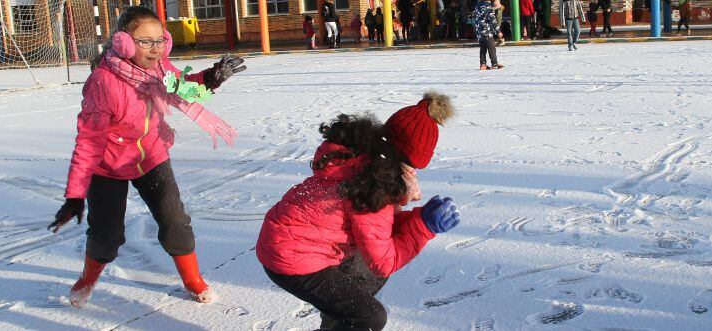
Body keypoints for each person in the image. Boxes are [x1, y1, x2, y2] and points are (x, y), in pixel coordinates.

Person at [48, 6, 246, 308]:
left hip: (150, 155)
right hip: (107, 166)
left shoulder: (160, 70)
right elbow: (88, 141)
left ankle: (192, 279)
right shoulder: (104, 82)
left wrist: (213, 77)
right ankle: (88, 278)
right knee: (107, 235)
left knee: (175, 222)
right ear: (123, 43)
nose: (155, 49)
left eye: (159, 41)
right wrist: (75, 195)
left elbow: (186, 85)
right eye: (145, 41)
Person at [256, 92, 461, 330]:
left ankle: (336, 322)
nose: (412, 176)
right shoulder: (372, 186)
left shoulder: (358, 159)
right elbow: (384, 261)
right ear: (401, 161)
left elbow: (375, 229)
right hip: (292, 259)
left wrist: (418, 218)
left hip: (287, 241)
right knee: (369, 317)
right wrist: (424, 228)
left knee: (363, 279)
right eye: (411, 168)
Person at [475, 0, 503, 69]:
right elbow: (493, 20)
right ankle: (494, 64)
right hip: (486, 30)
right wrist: (498, 31)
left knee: (483, 48)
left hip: (479, 30)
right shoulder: (489, 6)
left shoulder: (478, 5)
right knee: (491, 47)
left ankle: (483, 64)